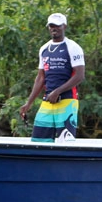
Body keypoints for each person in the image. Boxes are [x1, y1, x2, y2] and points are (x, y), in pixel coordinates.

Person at [19, 13, 86, 142]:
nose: (53, 28)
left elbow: (79, 76)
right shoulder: (44, 49)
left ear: (64, 26)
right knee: (38, 140)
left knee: (65, 142)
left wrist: (58, 91)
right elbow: (40, 78)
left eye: (57, 26)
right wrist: (29, 102)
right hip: (48, 100)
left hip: (67, 101)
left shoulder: (73, 47)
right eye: (51, 26)